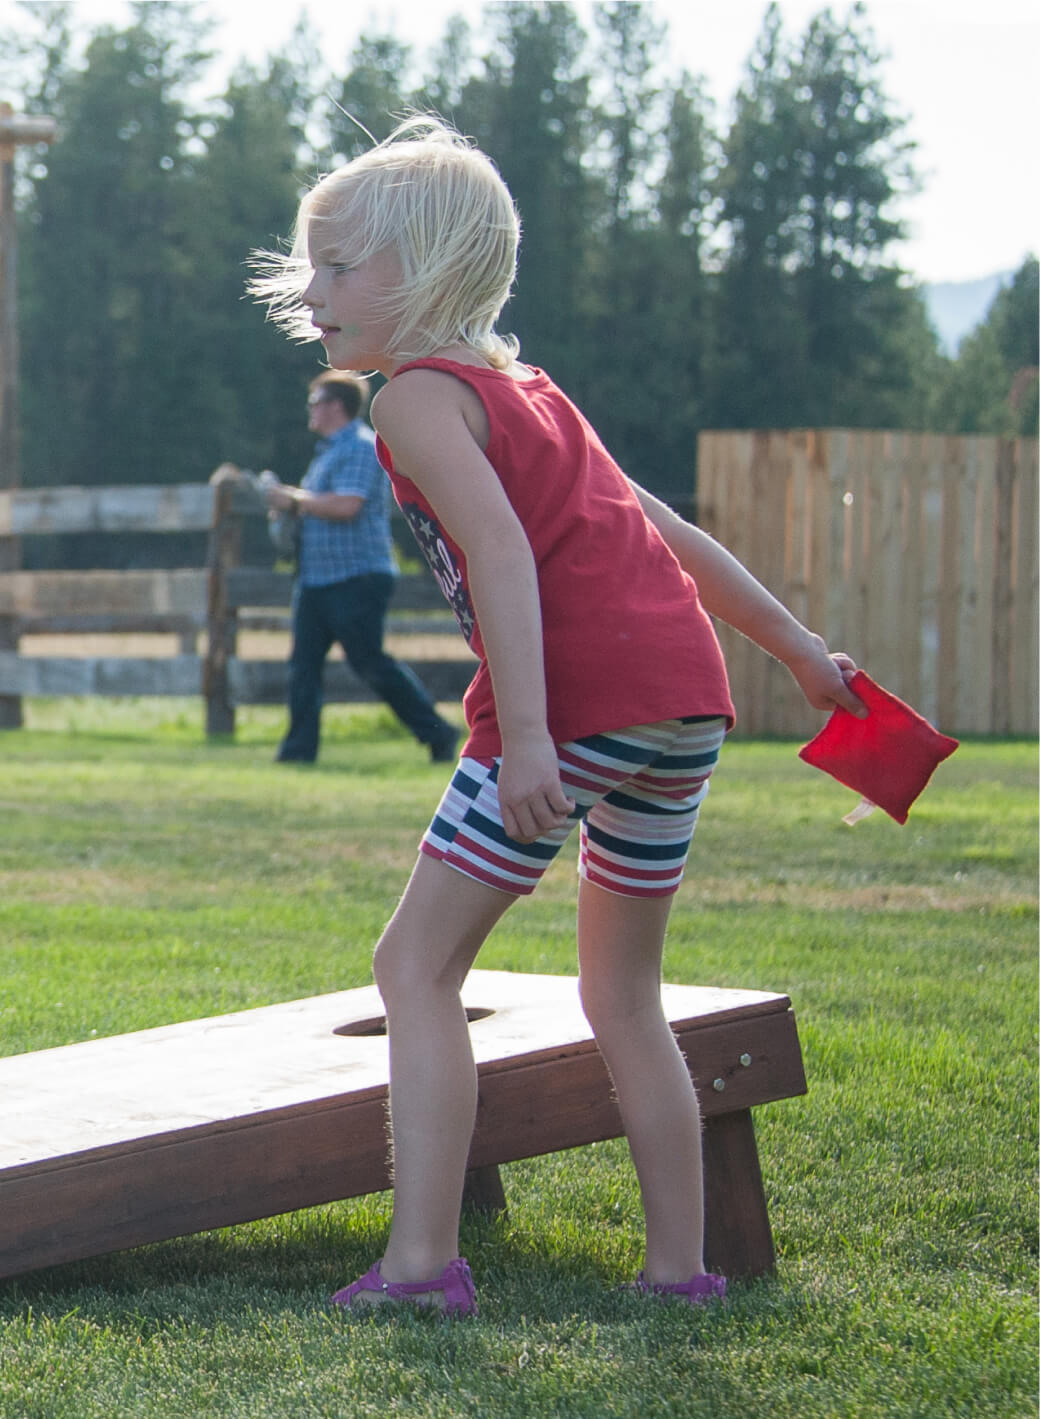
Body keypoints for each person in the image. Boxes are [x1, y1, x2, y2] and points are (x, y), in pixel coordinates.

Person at [249, 116, 865, 1316]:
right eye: (309, 265)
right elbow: (665, 533)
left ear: (425, 273)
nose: (310, 292)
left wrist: (527, 735)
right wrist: (795, 650)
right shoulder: (531, 391)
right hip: (681, 705)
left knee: (412, 969)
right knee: (621, 997)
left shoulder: (416, 399)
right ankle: (678, 1273)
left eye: (339, 266)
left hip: (574, 711)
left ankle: (422, 1270)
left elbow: (498, 555)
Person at [262, 370, 459, 764]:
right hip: (318, 578)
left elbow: (347, 505)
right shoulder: (330, 452)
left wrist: (294, 500)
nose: (310, 411)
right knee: (303, 666)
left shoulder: (359, 447)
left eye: (315, 403)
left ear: (336, 406)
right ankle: (298, 752)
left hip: (356, 577)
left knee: (369, 662)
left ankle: (437, 731)